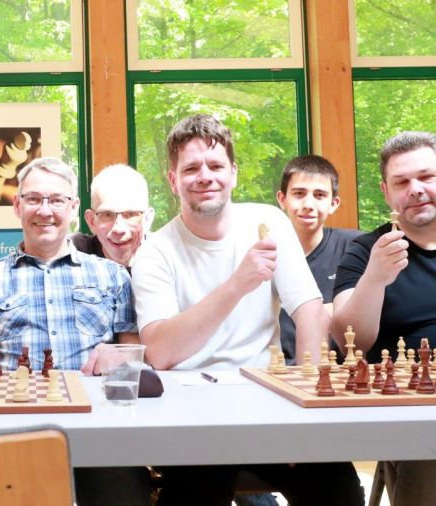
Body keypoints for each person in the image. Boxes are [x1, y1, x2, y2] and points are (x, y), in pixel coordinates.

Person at [131, 115, 363, 505]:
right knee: (194, 492)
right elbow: (160, 352)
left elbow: (309, 311)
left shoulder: (267, 222)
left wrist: (307, 400)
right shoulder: (155, 252)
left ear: (234, 173)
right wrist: (238, 283)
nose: (205, 176)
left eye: (216, 165)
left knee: (339, 489)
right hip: (190, 413)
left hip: (267, 403)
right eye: (191, 168)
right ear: (173, 180)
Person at [0, 157, 150, 506]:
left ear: (73, 208)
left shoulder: (113, 277)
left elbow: (134, 364)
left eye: (56, 200)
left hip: (101, 435)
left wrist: (118, 358)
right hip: (12, 436)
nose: (45, 210)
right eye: (34, 199)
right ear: (17, 205)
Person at [332, 131, 436, 505]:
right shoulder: (365, 251)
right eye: (402, 182)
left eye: (426, 177)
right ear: (386, 192)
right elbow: (351, 341)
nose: (416, 189)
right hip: (414, 408)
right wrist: (375, 278)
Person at [275, 155, 360, 364]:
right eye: (299, 194)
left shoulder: (356, 248)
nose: (308, 204)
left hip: (337, 372)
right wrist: (331, 309)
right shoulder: (264, 252)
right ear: (282, 199)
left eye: (319, 195)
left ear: (333, 203)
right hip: (277, 370)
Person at [71, 163, 154, 269]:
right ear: (91, 221)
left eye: (130, 214)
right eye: (107, 215)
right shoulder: (73, 253)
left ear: (147, 220)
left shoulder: (166, 256)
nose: (119, 229)